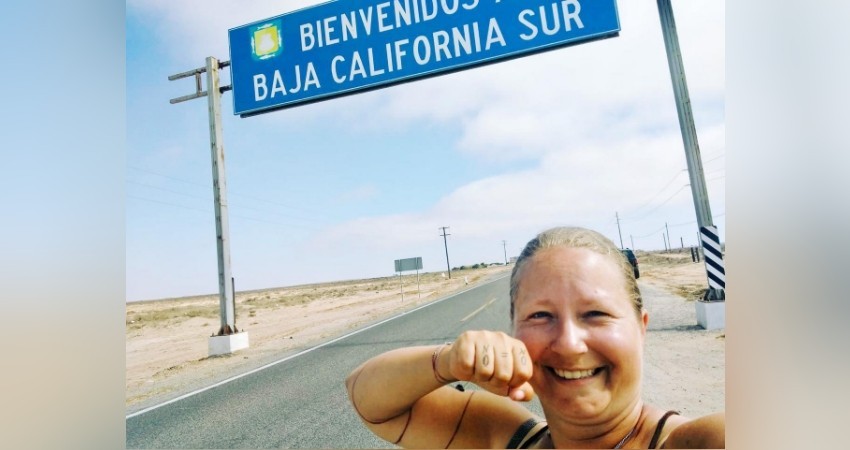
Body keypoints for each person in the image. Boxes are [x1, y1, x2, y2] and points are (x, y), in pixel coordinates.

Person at [345, 226, 724, 448]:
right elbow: (369, 400)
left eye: (596, 314)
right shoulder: (508, 437)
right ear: (513, 332)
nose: (570, 343)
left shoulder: (700, 441)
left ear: (641, 328)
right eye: (541, 316)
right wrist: (447, 361)